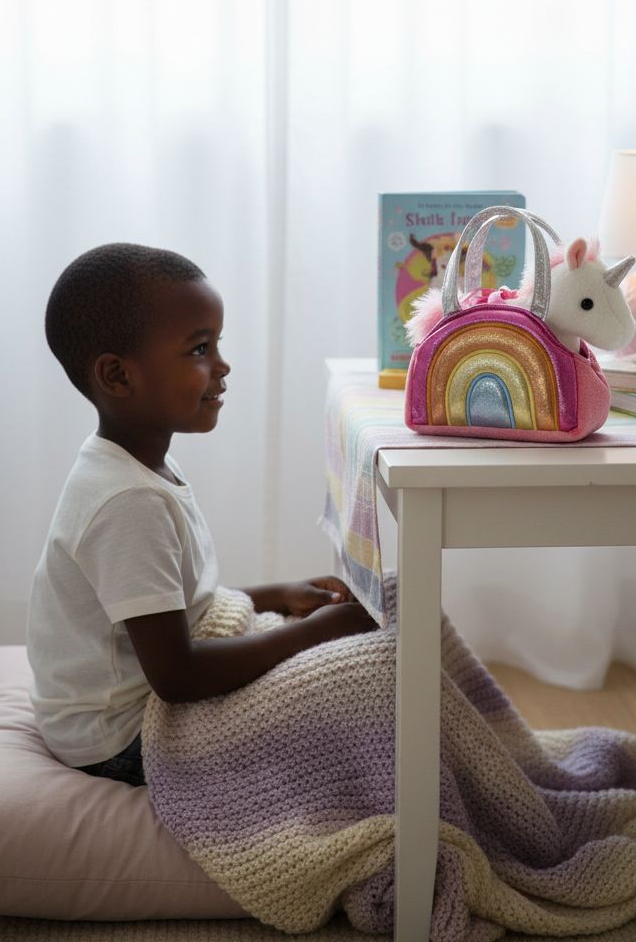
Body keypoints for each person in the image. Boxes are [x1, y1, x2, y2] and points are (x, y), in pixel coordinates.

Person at [26, 243, 376, 788]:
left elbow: (173, 610)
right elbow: (178, 675)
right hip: (118, 740)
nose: (223, 365)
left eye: (216, 344)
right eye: (199, 349)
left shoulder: (140, 468)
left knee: (383, 627)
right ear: (118, 376)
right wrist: (317, 633)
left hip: (148, 696)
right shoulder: (126, 503)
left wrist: (276, 594)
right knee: (362, 685)